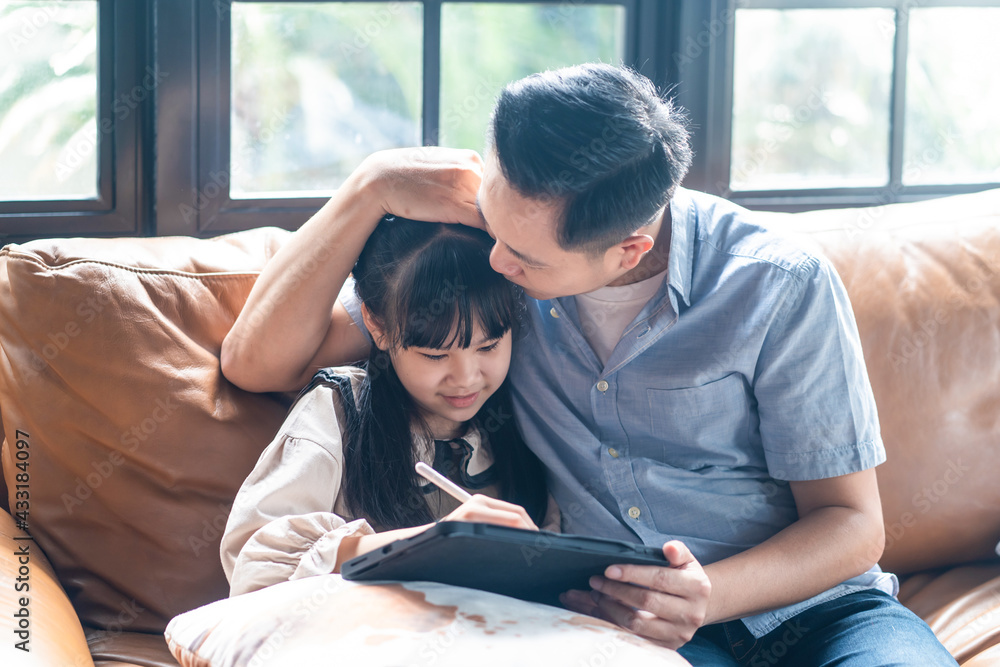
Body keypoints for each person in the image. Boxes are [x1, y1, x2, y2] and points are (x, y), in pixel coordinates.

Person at [220, 64, 957, 664]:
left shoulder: (778, 283)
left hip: (826, 616)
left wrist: (709, 593)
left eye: (526, 259)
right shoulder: (495, 250)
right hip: (619, 630)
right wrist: (369, 186)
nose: (497, 262)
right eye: (495, 224)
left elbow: (852, 524)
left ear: (627, 249)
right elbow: (258, 363)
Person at [220, 217, 551, 597]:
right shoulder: (341, 411)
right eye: (435, 354)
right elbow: (256, 567)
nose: (466, 377)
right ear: (377, 327)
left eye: (488, 347)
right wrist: (430, 543)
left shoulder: (524, 405)